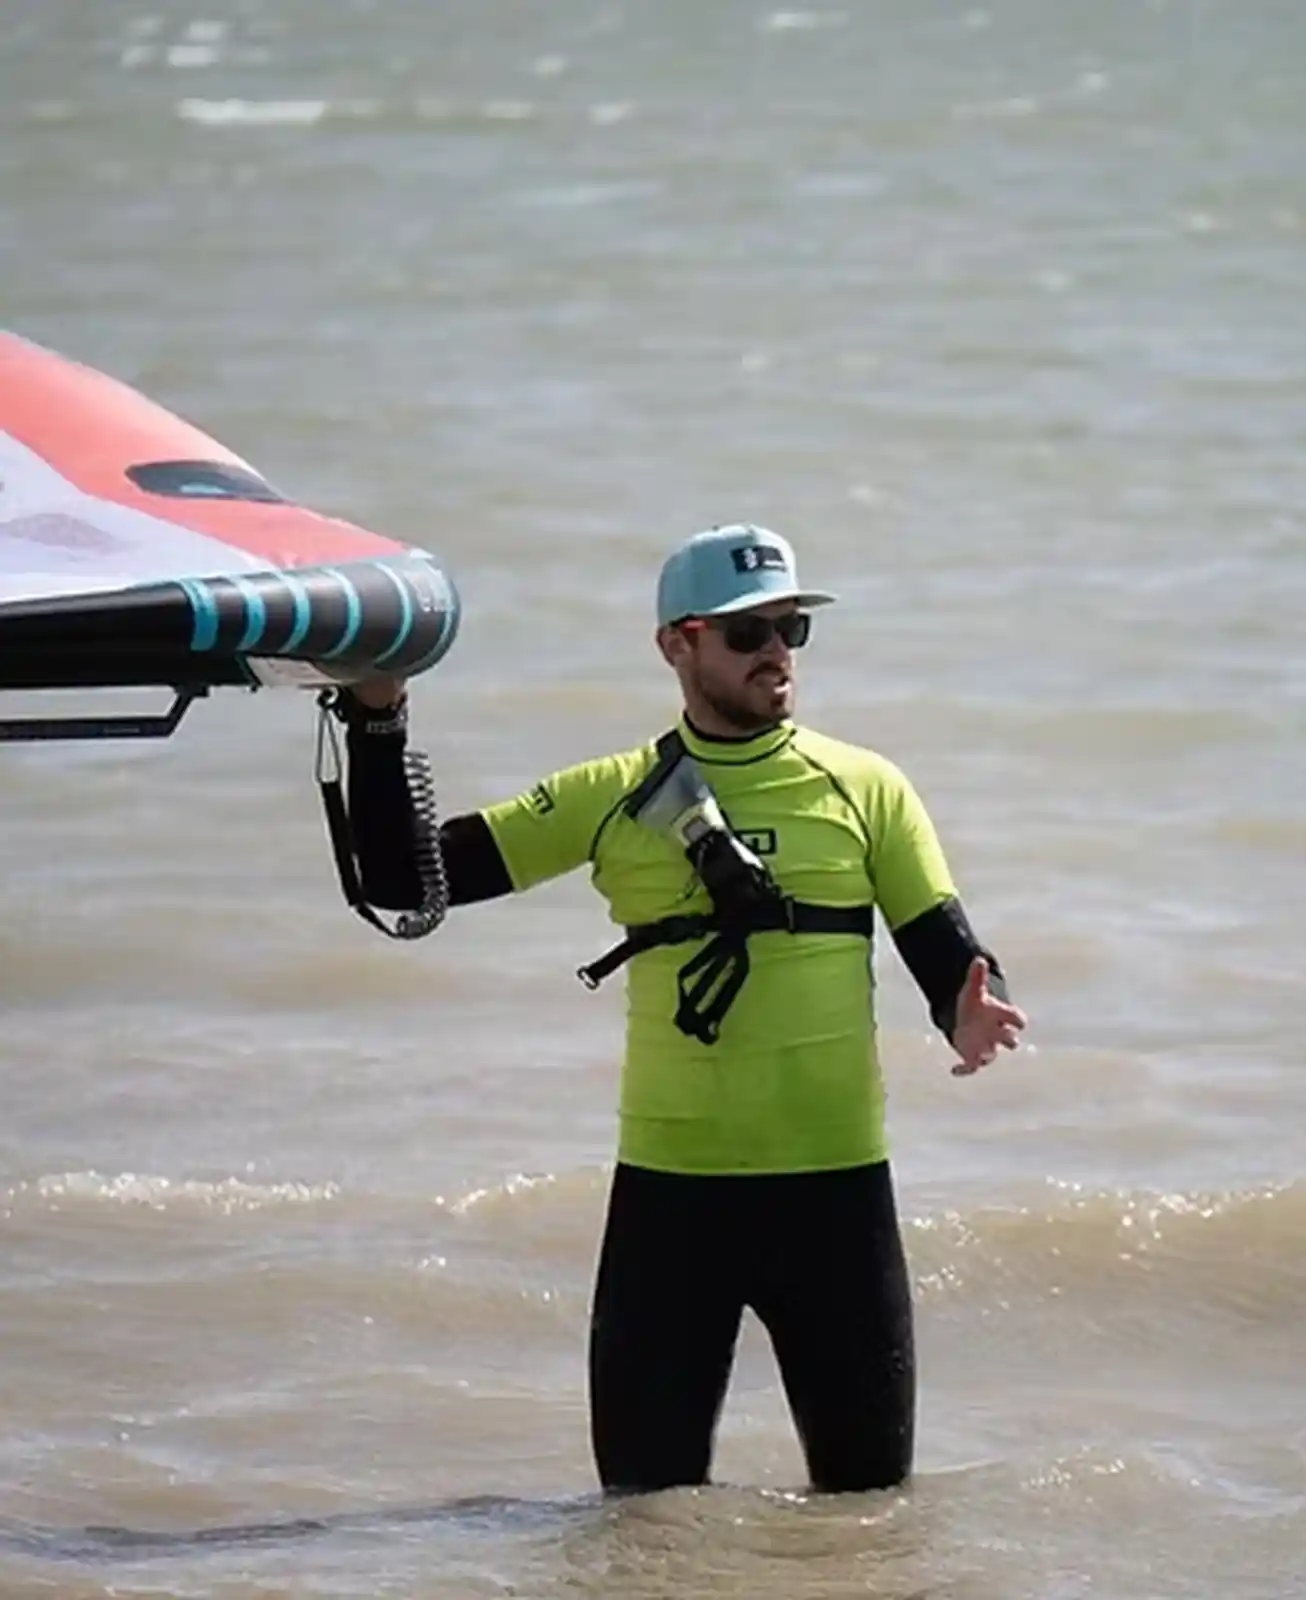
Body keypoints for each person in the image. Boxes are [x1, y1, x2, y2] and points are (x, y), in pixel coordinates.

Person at [332, 522, 1026, 1496]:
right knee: (642, 1526)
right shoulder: (611, 795)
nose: (775, 650)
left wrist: (969, 1006)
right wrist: (375, 711)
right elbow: (404, 875)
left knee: (867, 1523)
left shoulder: (866, 787)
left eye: (790, 627)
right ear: (677, 644)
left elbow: (941, 945)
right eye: (747, 633)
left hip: (835, 1201)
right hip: (671, 1204)